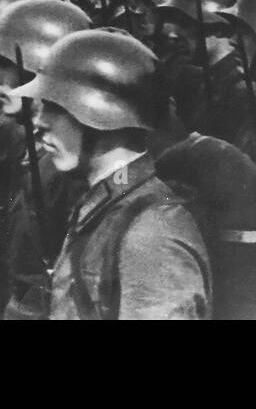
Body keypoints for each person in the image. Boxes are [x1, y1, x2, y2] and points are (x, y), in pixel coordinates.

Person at [11, 29, 212, 320]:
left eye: (55, 107)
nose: (40, 122)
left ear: (101, 118)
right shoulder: (106, 203)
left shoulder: (150, 235)